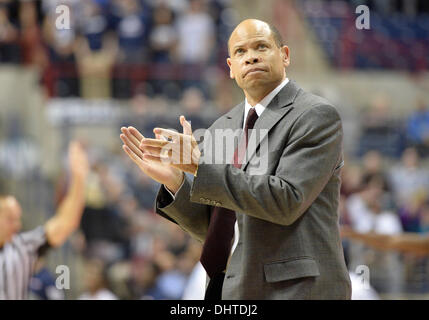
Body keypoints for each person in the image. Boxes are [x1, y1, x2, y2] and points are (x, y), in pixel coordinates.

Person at [120, 19, 351, 299]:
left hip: (296, 290)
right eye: (240, 52)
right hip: (233, 287)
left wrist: (199, 167)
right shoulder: (222, 127)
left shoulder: (314, 115)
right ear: (230, 68)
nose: (251, 56)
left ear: (285, 55)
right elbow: (220, 229)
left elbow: (286, 200)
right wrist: (177, 183)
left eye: (261, 47)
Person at [0, 141, 89, 300]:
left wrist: (79, 178)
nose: (17, 225)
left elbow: (65, 223)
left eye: (17, 219)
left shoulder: (21, 247)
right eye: (10, 219)